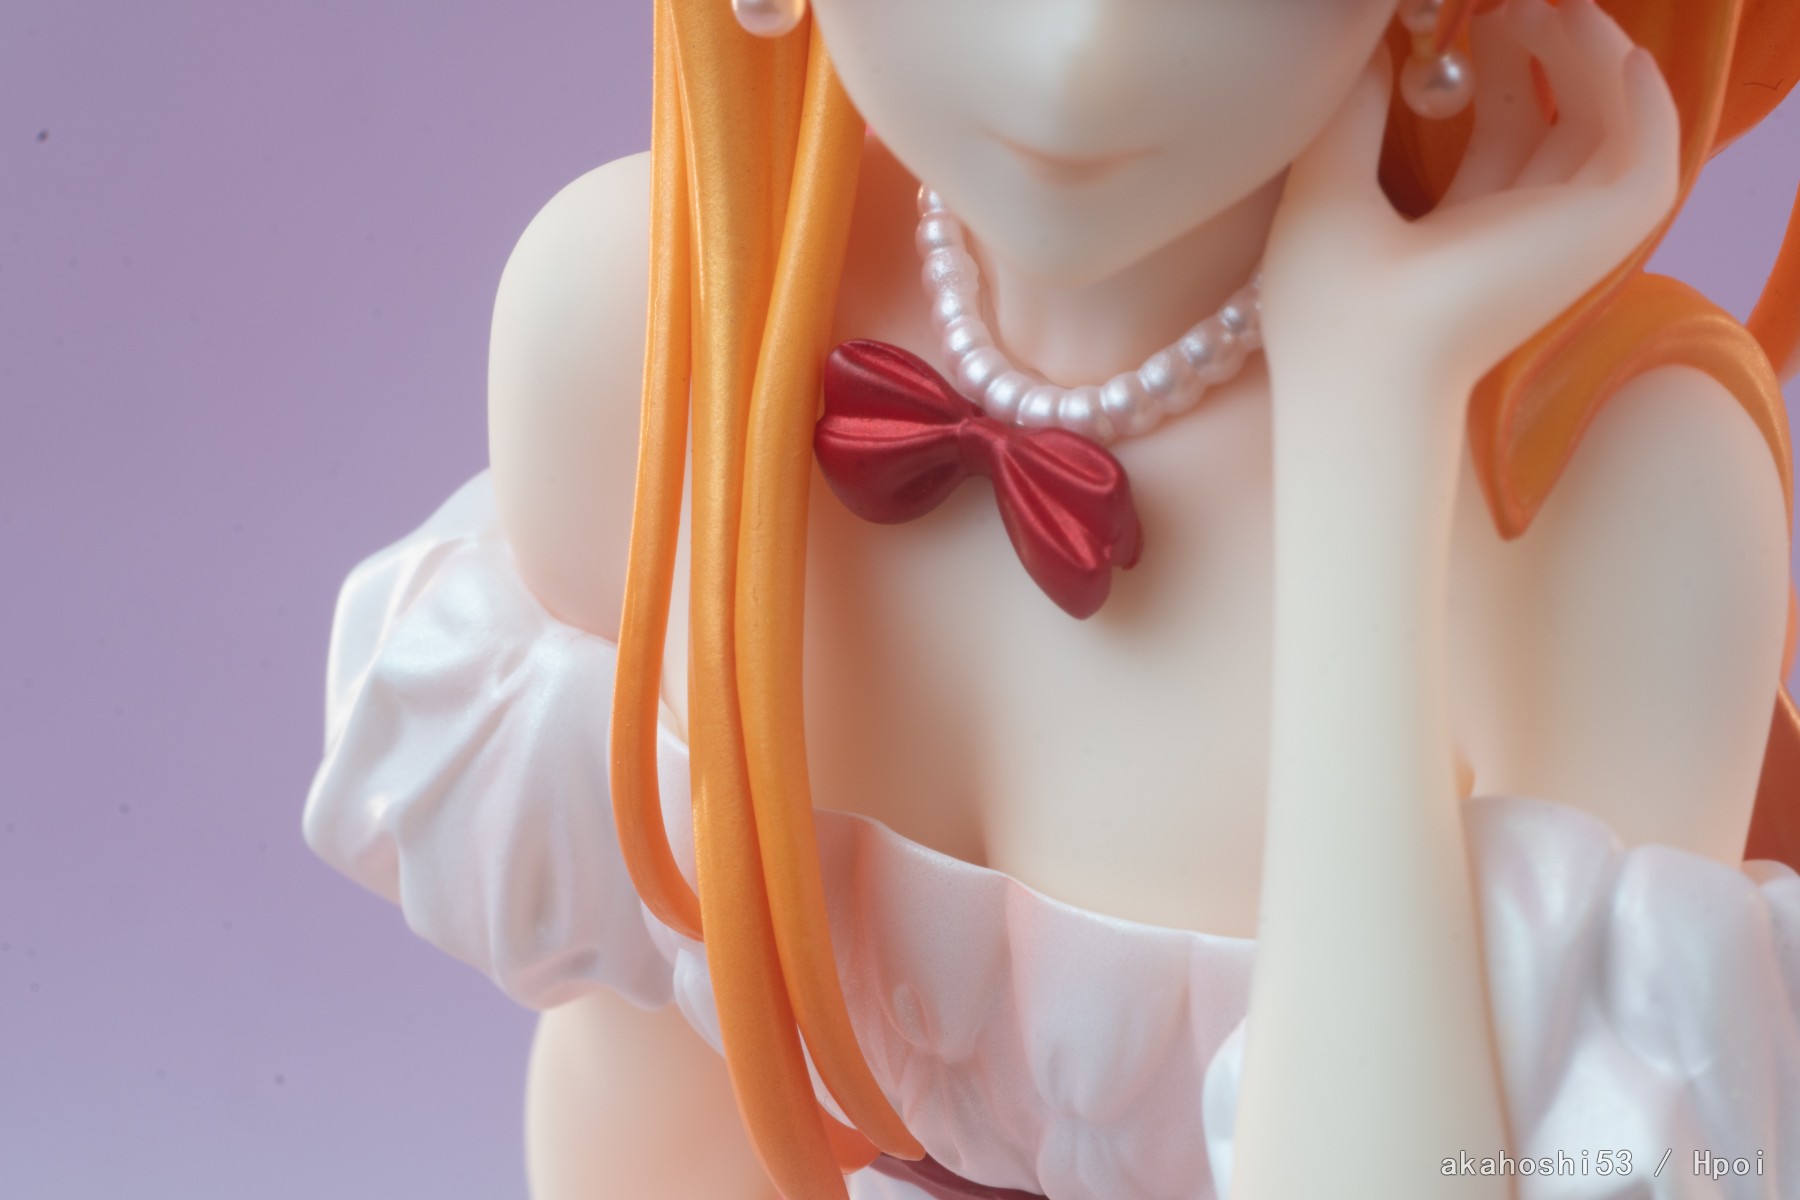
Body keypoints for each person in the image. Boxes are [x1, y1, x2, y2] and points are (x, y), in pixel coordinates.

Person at [303, 0, 1800, 1196]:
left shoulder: (1619, 504)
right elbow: (649, 1088)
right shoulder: (638, 322)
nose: (1086, 46)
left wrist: (1373, 419)